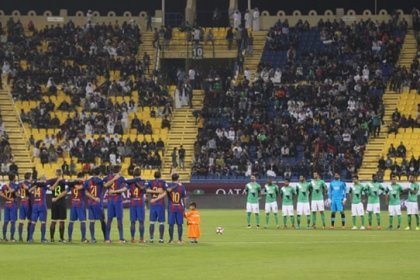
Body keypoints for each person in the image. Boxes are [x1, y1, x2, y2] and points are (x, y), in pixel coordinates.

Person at [152, 173, 186, 244]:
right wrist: (184, 207)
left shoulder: (169, 186)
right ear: (178, 178)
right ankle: (180, 240)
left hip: (171, 207)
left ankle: (171, 240)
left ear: (171, 178)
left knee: (171, 224)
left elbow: (163, 194)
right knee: (179, 224)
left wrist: (155, 200)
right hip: (179, 207)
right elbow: (184, 198)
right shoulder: (181, 187)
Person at [103, 165, 127, 243]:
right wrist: (116, 191)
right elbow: (124, 189)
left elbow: (105, 185)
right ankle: (121, 238)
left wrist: (112, 191)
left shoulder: (107, 178)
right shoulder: (121, 178)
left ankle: (107, 238)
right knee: (119, 219)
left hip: (110, 201)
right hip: (117, 201)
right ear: (119, 170)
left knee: (109, 220)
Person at [84, 168, 106, 242]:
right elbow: (105, 186)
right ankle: (106, 238)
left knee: (92, 221)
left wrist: (92, 198)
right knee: (102, 220)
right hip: (98, 203)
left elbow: (86, 193)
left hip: (90, 203)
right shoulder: (101, 181)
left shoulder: (87, 181)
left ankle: (92, 238)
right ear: (99, 173)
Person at [125, 167, 146, 243]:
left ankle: (132, 238)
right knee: (141, 222)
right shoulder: (143, 181)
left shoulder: (130, 182)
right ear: (140, 173)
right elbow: (144, 189)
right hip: (140, 202)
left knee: (133, 221)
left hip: (133, 201)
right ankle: (141, 239)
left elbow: (125, 188)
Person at [146, 171, 168, 243]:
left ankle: (151, 239)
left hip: (153, 203)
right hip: (160, 204)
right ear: (160, 175)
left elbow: (146, 190)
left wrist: (153, 191)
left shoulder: (150, 182)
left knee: (152, 222)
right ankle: (161, 239)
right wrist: (159, 192)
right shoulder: (163, 182)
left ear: (154, 176)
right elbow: (166, 191)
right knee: (161, 222)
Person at [28, 176, 50, 242]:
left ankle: (30, 238)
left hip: (35, 205)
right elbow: (51, 188)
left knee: (33, 222)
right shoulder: (44, 186)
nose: (45, 181)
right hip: (42, 205)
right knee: (43, 222)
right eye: (45, 179)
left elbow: (29, 190)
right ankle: (42, 238)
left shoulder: (34, 185)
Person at [49, 169, 68, 242]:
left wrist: (55, 198)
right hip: (61, 202)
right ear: (62, 173)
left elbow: (51, 188)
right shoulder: (64, 181)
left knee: (54, 220)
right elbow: (65, 192)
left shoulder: (51, 181)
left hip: (54, 202)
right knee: (62, 221)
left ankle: (52, 238)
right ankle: (61, 238)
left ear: (56, 173)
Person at [0, 174, 19, 241]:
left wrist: (7, 198)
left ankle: (4, 237)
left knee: (5, 222)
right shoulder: (16, 185)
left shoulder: (4, 186)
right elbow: (15, 193)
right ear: (14, 178)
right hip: (12, 205)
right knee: (13, 222)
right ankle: (12, 238)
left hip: (6, 204)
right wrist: (12, 198)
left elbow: (1, 193)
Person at [17, 172, 33, 241]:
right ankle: (28, 237)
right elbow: (28, 189)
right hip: (28, 204)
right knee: (30, 221)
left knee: (21, 221)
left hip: (22, 203)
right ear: (29, 177)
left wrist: (21, 196)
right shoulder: (30, 184)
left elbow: (15, 192)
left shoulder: (20, 183)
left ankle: (20, 237)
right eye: (31, 176)